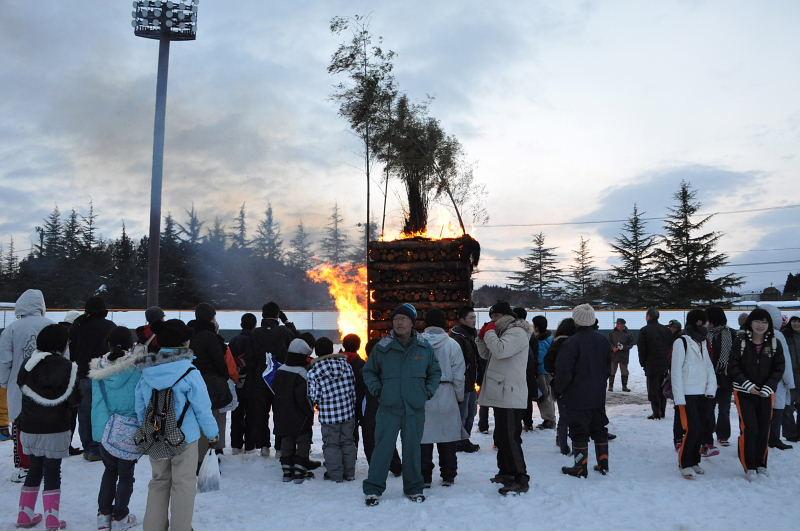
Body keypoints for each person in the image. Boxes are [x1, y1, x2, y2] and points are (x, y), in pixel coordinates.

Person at [135, 318, 219, 531]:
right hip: (185, 438)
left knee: (158, 482)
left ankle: (153, 527)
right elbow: (202, 407)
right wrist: (212, 434)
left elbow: (140, 406)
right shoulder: (190, 372)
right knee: (183, 485)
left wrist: (145, 428)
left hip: (155, 436)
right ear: (184, 344)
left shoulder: (146, 371)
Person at [362, 303, 441, 506]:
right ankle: (373, 489)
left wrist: (427, 391)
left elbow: (435, 372)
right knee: (382, 449)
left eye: (403, 318)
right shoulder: (382, 347)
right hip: (388, 407)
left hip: (414, 408)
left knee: (413, 449)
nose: (399, 322)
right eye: (396, 318)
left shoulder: (424, 347)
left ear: (412, 322)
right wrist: (377, 390)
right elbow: (369, 371)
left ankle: (414, 488)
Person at [14, 324, 78, 529]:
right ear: (61, 344)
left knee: (35, 468)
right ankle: (52, 519)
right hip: (56, 429)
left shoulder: (28, 365)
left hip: (30, 427)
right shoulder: (69, 367)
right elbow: (75, 399)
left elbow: (20, 386)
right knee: (52, 471)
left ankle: (24, 515)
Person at [89, 326, 142, 531]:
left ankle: (103, 516)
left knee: (109, 471)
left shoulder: (99, 368)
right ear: (131, 345)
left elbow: (97, 401)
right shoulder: (137, 368)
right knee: (126, 474)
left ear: (108, 343)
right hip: (129, 428)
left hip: (104, 429)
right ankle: (120, 517)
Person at [477, 301, 532, 495]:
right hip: (501, 391)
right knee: (501, 436)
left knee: (510, 437)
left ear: (504, 316)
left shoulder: (517, 332)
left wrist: (490, 333)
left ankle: (520, 477)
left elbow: (500, 351)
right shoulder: (502, 332)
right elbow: (486, 354)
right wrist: (481, 337)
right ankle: (506, 472)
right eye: (491, 317)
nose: (493, 321)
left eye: (495, 317)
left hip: (510, 392)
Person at [0, 289, 52, 483]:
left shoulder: (12, 329)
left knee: (21, 426)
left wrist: (3, 382)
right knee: (46, 426)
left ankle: (25, 466)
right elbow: (64, 357)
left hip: (19, 385)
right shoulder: (51, 326)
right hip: (48, 386)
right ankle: (46, 464)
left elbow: (4, 361)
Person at [728, 308, 786, 481]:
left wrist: (769, 386)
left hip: (766, 393)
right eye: (757, 321)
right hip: (745, 392)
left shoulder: (775, 343)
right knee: (750, 427)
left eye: (764, 322)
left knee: (763, 429)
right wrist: (748, 385)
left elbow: (779, 367)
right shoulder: (740, 341)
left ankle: (761, 463)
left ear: (769, 325)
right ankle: (749, 465)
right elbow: (733, 366)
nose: (760, 325)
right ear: (750, 322)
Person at [555, 305, 611, 478]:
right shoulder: (603, 340)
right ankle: (603, 462)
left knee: (579, 431)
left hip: (577, 395)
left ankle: (580, 466)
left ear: (576, 320)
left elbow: (564, 371)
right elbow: (607, 368)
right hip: (598, 393)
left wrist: (559, 390)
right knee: (599, 428)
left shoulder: (571, 342)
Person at [420, 309, 467, 488]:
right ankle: (448, 474)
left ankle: (424, 476)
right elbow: (459, 374)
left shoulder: (418, 343)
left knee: (423, 438)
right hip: (447, 392)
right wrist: (459, 396)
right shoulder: (452, 345)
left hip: (423, 393)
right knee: (447, 437)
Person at [671, 309, 717, 480]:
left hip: (703, 394)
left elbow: (709, 367)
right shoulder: (681, 342)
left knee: (702, 429)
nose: (707, 325)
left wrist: (711, 389)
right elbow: (675, 372)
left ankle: (695, 460)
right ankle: (684, 462)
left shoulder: (703, 341)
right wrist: (679, 399)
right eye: (704, 322)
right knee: (692, 429)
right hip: (687, 394)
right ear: (698, 322)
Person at [70, 296, 116, 462]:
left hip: (84, 374)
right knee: (107, 411)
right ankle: (106, 445)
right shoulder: (110, 326)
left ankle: (90, 448)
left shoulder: (78, 326)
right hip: (106, 375)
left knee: (85, 412)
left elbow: (72, 351)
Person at [250, 302, 299, 456]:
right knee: (279, 412)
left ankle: (264, 446)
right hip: (280, 378)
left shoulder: (255, 333)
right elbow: (299, 342)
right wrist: (287, 322)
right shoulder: (284, 331)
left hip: (260, 378)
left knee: (261, 413)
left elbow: (250, 357)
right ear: (278, 315)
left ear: (262, 315)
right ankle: (279, 447)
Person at [307, 337, 357, 482]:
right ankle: (350, 473)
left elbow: (314, 395)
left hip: (329, 416)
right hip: (348, 412)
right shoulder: (346, 365)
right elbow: (353, 388)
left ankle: (335, 475)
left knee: (331, 445)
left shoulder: (314, 372)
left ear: (316, 352)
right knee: (348, 442)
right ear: (332, 349)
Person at [272, 338, 318, 484]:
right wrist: (309, 411)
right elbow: (303, 397)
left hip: (281, 413)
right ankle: (299, 470)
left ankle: (286, 470)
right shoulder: (301, 373)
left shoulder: (280, 370)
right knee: (303, 440)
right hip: (299, 415)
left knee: (286, 438)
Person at [189, 303, 229, 459]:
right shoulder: (211, 336)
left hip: (189, 379)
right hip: (209, 381)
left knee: (193, 416)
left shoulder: (188, 333)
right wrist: (223, 377)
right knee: (211, 415)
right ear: (212, 318)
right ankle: (211, 450)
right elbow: (219, 361)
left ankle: (194, 449)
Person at [359, 338, 402, 477]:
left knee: (371, 439)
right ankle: (395, 465)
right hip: (387, 407)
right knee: (387, 437)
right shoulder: (392, 368)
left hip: (370, 409)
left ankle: (376, 467)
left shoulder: (365, 369)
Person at [758, 304, 795, 450]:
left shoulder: (752, 334)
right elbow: (784, 360)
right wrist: (789, 383)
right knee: (777, 409)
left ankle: (763, 438)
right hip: (777, 381)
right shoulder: (778, 335)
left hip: (759, 381)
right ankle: (774, 438)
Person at [706, 306, 738, 448]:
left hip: (726, 377)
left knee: (724, 409)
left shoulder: (731, 334)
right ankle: (708, 433)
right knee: (709, 408)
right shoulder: (705, 334)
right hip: (708, 378)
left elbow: (735, 357)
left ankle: (723, 435)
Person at [544, 318, 577, 455]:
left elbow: (547, 362)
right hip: (575, 383)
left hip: (559, 382)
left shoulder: (557, 342)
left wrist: (554, 372)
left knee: (563, 415)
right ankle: (573, 442)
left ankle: (561, 441)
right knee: (574, 415)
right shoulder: (575, 342)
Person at [228, 313, 260, 455]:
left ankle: (236, 445)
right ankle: (250, 445)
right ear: (255, 325)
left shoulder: (234, 341)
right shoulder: (257, 340)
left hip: (237, 381)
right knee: (252, 415)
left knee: (237, 413)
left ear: (241, 324)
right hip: (253, 383)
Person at [450, 306, 481, 453]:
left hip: (470, 381)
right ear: (462, 320)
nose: (474, 320)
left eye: (475, 317)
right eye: (471, 318)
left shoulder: (469, 335)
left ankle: (464, 438)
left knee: (471, 412)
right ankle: (459, 441)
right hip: (463, 382)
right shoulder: (458, 337)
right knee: (463, 413)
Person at [637, 308, 673, 420]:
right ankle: (662, 411)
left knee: (653, 389)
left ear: (648, 316)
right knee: (662, 387)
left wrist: (643, 363)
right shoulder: (666, 330)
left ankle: (656, 413)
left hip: (651, 364)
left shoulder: (644, 330)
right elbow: (670, 347)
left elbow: (641, 349)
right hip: (664, 364)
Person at [531, 315, 555, 429]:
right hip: (545, 371)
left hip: (543, 371)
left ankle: (549, 420)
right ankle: (549, 418)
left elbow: (542, 356)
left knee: (545, 397)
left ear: (537, 327)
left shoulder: (542, 339)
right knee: (546, 395)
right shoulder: (550, 338)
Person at [781, 316, 800, 442]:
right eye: (794, 321)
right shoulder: (784, 335)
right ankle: (790, 433)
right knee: (788, 405)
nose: (796, 323)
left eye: (799, 321)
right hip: (790, 374)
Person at [608, 318, 634, 392]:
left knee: (624, 371)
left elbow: (631, 344)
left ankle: (624, 386)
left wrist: (623, 347)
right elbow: (609, 342)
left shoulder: (629, 334)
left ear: (623, 325)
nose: (618, 325)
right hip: (614, 355)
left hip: (624, 356)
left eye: (620, 324)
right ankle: (610, 386)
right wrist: (612, 348)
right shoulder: (612, 333)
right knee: (612, 371)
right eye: (617, 324)